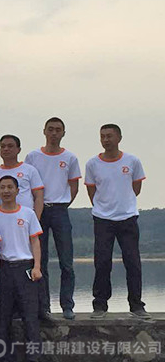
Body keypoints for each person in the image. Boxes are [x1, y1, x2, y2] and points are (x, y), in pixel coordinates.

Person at [85, 124, 149, 319]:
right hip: (103, 219)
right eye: (102, 136)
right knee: (102, 262)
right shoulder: (92, 164)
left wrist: (123, 204)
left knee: (132, 262)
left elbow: (136, 188)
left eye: (109, 136)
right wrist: (104, 207)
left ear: (119, 138)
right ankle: (100, 305)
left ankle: (136, 305)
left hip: (127, 218)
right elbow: (91, 191)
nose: (106, 140)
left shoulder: (132, 161)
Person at [25, 118, 80, 320]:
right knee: (40, 261)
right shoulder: (33, 156)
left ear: (63, 133)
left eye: (58, 130)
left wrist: (62, 204)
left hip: (60, 210)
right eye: (50, 129)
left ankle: (67, 304)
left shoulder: (70, 158)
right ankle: (43, 306)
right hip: (38, 211)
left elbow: (74, 187)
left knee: (66, 261)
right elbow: (27, 182)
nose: (54, 133)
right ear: (44, 131)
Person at [0, 176, 43, 362]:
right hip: (3, 269)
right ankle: (5, 358)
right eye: (2, 187)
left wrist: (37, 266)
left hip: (25, 268)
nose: (6, 191)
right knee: (2, 318)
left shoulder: (28, 213)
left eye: (10, 187)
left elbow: (35, 242)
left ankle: (34, 358)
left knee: (30, 318)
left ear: (18, 191)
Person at [0, 134, 44, 219]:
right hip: (1, 218)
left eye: (10, 146)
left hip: (25, 218)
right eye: (3, 146)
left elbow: (39, 196)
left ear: (18, 150)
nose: (6, 149)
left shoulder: (29, 170)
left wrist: (36, 219)